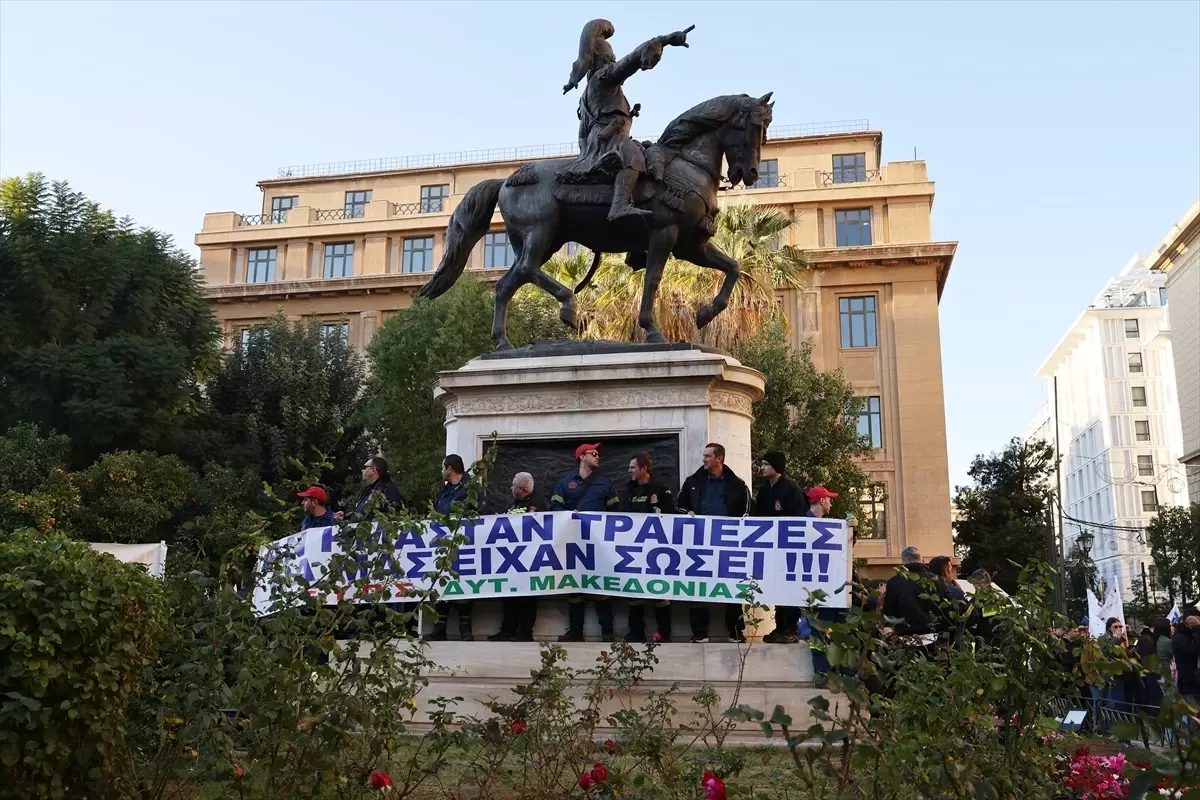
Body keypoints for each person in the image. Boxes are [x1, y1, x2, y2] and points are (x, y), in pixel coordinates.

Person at [560, 19, 693, 222]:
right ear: (601, 59)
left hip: (609, 138)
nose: (614, 62)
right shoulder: (602, 78)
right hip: (606, 139)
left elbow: (581, 134)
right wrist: (663, 40)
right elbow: (630, 61)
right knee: (634, 156)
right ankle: (619, 205)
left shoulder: (601, 89)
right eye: (610, 58)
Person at [676, 443, 752, 643]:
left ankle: (736, 631)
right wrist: (688, 513)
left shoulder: (738, 485)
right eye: (704, 455)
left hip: (728, 543)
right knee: (698, 586)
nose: (703, 459)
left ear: (719, 459)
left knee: (732, 586)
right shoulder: (692, 482)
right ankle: (700, 632)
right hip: (699, 542)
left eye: (708, 456)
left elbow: (747, 512)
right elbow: (679, 506)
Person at [552, 443, 620, 641]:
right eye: (594, 453)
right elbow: (555, 507)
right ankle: (576, 631)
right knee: (574, 589)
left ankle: (607, 632)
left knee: (601, 588)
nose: (598, 457)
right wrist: (566, 515)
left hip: (598, 545)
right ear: (582, 457)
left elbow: (616, 514)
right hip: (573, 544)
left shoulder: (605, 484)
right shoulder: (565, 484)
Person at [621, 452, 675, 642]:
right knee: (634, 591)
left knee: (660, 592)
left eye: (633, 467)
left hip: (657, 550)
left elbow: (670, 517)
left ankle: (664, 633)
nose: (629, 471)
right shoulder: (628, 490)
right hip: (634, 550)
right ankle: (635, 632)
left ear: (644, 469)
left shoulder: (660, 489)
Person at [754, 455, 807, 644]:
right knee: (776, 588)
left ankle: (791, 628)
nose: (762, 467)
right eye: (762, 464)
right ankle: (780, 627)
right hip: (771, 549)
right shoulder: (764, 491)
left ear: (777, 467)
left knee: (790, 588)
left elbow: (799, 520)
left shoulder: (791, 489)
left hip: (790, 548)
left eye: (766, 464)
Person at [488, 472, 546, 642]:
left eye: (513, 485)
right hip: (512, 559)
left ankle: (525, 632)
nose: (510, 487)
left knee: (527, 597)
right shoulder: (514, 505)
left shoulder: (538, 504)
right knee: (509, 595)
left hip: (530, 559)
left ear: (520, 488)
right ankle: (508, 629)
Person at [426, 454, 476, 642]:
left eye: (442, 467)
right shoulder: (445, 491)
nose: (441, 471)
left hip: (464, 543)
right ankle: (440, 626)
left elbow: (471, 511)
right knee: (442, 581)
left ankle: (465, 628)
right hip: (442, 545)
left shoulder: (471, 487)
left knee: (463, 583)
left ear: (449, 468)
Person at [881, 546, 937, 637]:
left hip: (905, 636)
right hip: (932, 634)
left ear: (903, 562)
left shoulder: (894, 582)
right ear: (921, 560)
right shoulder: (936, 579)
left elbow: (889, 612)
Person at [1172, 608, 1200, 704]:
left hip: (1195, 683)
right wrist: (1197, 628)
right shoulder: (1180, 637)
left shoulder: (1193, 633)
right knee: (1194, 714)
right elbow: (1194, 648)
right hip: (1189, 683)